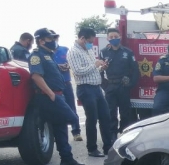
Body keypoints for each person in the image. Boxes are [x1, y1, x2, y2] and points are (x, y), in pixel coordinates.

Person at [28, 28, 85, 165]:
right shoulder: (36, 56)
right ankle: (64, 155)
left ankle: (66, 158)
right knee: (72, 118)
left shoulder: (49, 54)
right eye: (50, 38)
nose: (53, 41)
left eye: (54, 38)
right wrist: (51, 94)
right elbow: (36, 76)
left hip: (58, 94)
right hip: (49, 96)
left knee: (61, 127)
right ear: (41, 40)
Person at [67, 27, 112, 157]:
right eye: (89, 41)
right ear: (82, 38)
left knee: (105, 117)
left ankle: (108, 146)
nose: (91, 44)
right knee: (92, 118)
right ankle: (92, 148)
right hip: (85, 88)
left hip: (96, 87)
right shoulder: (73, 52)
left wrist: (101, 67)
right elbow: (78, 71)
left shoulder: (89, 50)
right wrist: (95, 65)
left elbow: (93, 70)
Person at [99, 27, 139, 140]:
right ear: (107, 38)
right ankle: (112, 137)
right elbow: (100, 70)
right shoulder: (103, 52)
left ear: (120, 37)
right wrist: (104, 85)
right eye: (111, 37)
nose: (113, 39)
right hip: (110, 86)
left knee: (125, 113)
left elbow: (135, 70)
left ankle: (124, 135)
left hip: (123, 86)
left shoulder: (128, 52)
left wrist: (131, 84)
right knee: (111, 113)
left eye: (116, 37)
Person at [53, 37, 83, 141]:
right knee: (58, 110)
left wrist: (68, 65)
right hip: (54, 85)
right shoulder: (46, 53)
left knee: (71, 107)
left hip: (66, 83)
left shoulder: (65, 49)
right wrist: (58, 66)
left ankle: (76, 132)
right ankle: (59, 135)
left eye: (56, 38)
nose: (54, 41)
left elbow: (72, 61)